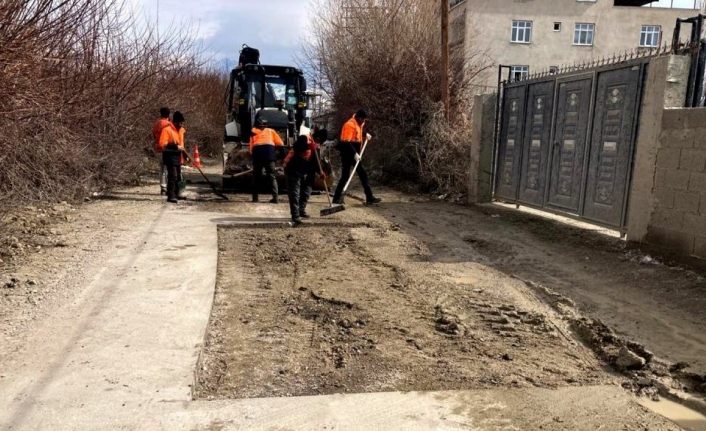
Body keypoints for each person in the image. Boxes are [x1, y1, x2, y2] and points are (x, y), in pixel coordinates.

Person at [332, 109, 381, 205]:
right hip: (347, 153)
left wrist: (364, 134)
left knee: (363, 175)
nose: (364, 122)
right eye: (363, 120)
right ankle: (336, 198)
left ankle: (369, 197)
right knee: (345, 176)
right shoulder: (349, 125)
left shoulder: (359, 123)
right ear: (359, 118)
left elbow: (357, 134)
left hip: (355, 154)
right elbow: (346, 142)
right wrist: (354, 153)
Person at [284, 129, 328, 224]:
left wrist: (320, 172)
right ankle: (295, 216)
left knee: (306, 191)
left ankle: (301, 210)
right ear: (317, 138)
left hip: (305, 169)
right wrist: (309, 146)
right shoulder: (304, 138)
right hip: (293, 168)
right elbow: (297, 147)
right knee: (295, 194)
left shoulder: (316, 146)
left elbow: (316, 161)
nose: (319, 144)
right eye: (319, 141)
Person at [249, 116, 284, 203]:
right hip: (269, 156)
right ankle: (275, 198)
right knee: (272, 177)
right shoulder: (271, 131)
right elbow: (280, 144)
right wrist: (281, 156)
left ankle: (255, 198)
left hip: (257, 156)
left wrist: (253, 158)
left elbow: (251, 149)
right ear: (265, 125)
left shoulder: (252, 132)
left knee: (256, 177)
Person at [158, 111, 186, 203]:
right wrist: (175, 146)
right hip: (169, 155)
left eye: (182, 123)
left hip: (178, 155)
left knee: (178, 176)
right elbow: (162, 144)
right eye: (180, 123)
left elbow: (181, 144)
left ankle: (177, 194)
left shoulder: (181, 130)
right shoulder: (167, 130)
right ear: (175, 122)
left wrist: (185, 155)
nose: (182, 125)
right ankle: (171, 195)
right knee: (172, 176)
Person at [152, 107, 171, 195]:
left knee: (162, 168)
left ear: (161, 113)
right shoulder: (169, 124)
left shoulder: (157, 123)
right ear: (169, 114)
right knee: (168, 168)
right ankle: (168, 186)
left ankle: (163, 187)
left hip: (159, 148)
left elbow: (153, 134)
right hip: (168, 148)